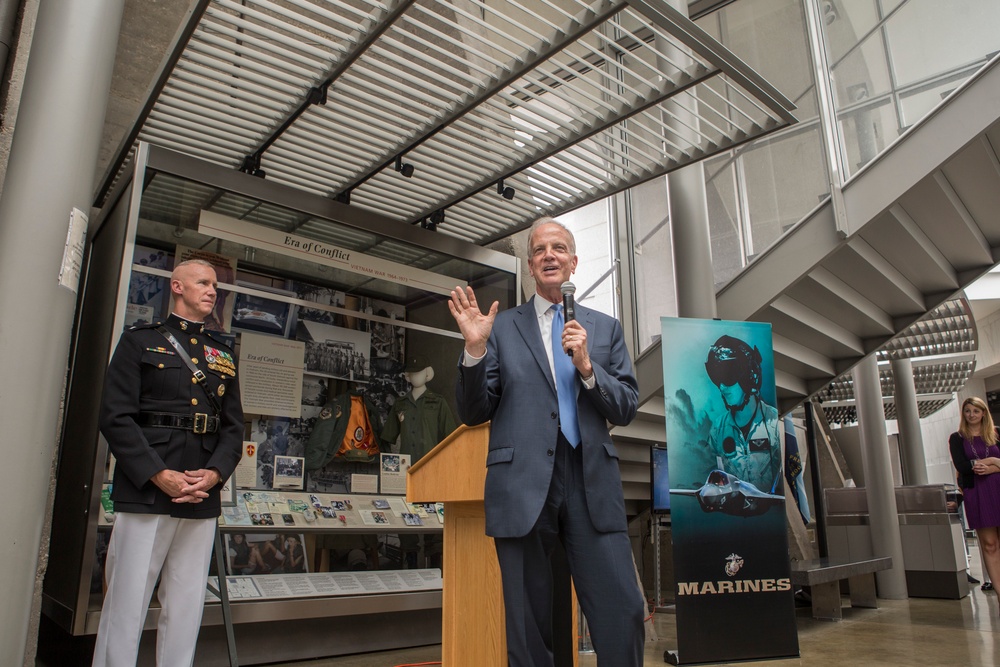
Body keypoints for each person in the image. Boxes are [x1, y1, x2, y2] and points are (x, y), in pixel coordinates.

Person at [449, 217, 645, 666]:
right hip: (522, 484)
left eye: (558, 248)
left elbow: (627, 406)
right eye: (539, 250)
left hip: (589, 478)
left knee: (623, 610)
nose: (549, 255)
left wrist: (589, 368)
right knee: (527, 625)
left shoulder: (606, 328)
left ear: (573, 263)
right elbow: (473, 411)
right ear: (531, 266)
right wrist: (475, 350)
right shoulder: (500, 327)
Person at [93, 259, 244, 667]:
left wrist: (213, 475)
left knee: (186, 601)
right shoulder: (139, 341)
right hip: (146, 488)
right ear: (177, 286)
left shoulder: (222, 353)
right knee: (127, 600)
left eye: (215, 285)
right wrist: (158, 474)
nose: (212, 290)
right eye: (203, 282)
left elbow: (233, 428)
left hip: (200, 492)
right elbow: (115, 416)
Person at [705, 335, 782, 493]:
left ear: (748, 378)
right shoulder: (717, 431)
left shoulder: (774, 423)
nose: (721, 387)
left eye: (728, 378)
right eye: (717, 379)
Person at [949, 396, 1000, 608]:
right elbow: (962, 465)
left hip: (998, 488)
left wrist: (992, 464)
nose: (971, 415)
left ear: (983, 413)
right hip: (977, 492)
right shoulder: (957, 438)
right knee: (989, 545)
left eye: (976, 411)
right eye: (968, 411)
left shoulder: (996, 433)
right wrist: (993, 463)